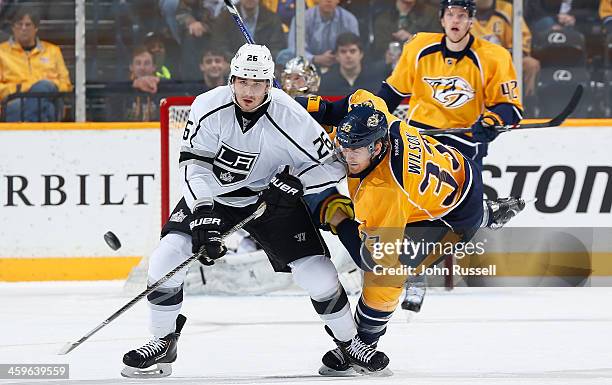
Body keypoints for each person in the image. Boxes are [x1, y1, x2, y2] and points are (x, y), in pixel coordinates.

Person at [120, 44, 390, 378]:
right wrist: (204, 211)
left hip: (272, 200)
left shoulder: (291, 115)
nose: (249, 91)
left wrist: (295, 183)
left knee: (318, 273)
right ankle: (162, 342)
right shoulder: (206, 106)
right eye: (243, 81)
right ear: (231, 79)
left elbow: (333, 166)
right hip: (215, 196)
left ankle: (349, 344)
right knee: (165, 260)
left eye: (258, 83)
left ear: (270, 85)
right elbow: (193, 166)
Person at [299, 89, 525, 375]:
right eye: (344, 146)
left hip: (452, 218)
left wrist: (336, 215)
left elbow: (371, 259)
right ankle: (489, 213)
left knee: (388, 273)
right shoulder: (377, 115)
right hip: (454, 172)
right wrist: (291, 104)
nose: (347, 155)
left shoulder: (383, 191)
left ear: (378, 147)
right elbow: (343, 105)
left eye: (356, 149)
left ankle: (363, 344)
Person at [377, 0, 524, 168]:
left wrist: (492, 121)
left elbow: (510, 107)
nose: (455, 20)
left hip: (465, 139)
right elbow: (392, 92)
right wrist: (371, 116)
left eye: (462, 16)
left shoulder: (494, 57)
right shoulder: (419, 47)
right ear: (442, 20)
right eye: (450, 15)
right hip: (421, 138)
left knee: (468, 192)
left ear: (471, 21)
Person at [0, 6, 72, 122]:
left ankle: (30, 127)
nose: (23, 28)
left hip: (49, 97)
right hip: (15, 101)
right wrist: (24, 88)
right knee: (47, 109)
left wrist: (44, 86)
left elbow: (66, 84)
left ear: (36, 28)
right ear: (13, 27)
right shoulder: (1, 52)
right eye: (19, 24)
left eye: (28, 25)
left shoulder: (53, 51)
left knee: (44, 90)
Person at [472, 0, 541, 100]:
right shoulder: (462, 10)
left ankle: (528, 106)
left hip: (505, 60)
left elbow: (523, 37)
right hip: (473, 62)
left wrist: (508, 54)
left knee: (531, 65)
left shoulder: (507, 9)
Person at [287, 0, 359, 70]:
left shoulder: (349, 20)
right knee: (285, 55)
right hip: (308, 67)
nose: (328, 1)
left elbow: (354, 48)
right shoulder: (301, 19)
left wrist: (340, 56)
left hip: (340, 66)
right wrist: (314, 59)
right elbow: (294, 49)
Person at [212, 0, 286, 58]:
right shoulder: (225, 18)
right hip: (234, 67)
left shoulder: (272, 19)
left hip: (262, 68)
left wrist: (258, 62)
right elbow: (220, 47)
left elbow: (276, 48)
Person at [372, 0, 442, 58]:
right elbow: (379, 51)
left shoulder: (432, 14)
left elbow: (438, 44)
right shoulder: (382, 19)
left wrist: (413, 39)